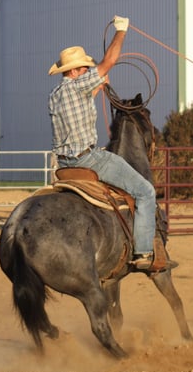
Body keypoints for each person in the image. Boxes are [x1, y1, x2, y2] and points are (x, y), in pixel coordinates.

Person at [47, 16, 164, 271]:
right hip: (89, 159)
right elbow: (109, 61)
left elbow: (78, 102)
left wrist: (98, 86)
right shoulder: (79, 86)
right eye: (85, 69)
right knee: (145, 192)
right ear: (75, 71)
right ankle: (143, 252)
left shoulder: (56, 94)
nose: (89, 72)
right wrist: (121, 31)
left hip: (63, 164)